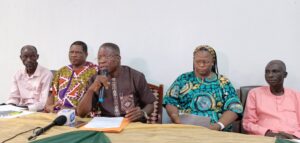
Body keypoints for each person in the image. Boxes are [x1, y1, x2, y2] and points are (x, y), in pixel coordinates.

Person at [163, 45, 243, 131]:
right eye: (198, 61)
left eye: (206, 62)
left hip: (215, 129)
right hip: (185, 127)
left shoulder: (223, 82)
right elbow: (170, 100)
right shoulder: (183, 79)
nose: (201, 65)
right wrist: (175, 117)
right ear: (193, 61)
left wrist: (219, 125)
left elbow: (235, 107)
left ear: (213, 62)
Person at [77, 43, 156, 122]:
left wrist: (143, 112)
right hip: (106, 124)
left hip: (131, 124)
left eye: (106, 57)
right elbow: (81, 113)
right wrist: (91, 89)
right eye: (99, 58)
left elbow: (150, 105)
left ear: (118, 58)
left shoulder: (136, 76)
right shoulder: (95, 79)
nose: (101, 61)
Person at [243, 60, 300, 139]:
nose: (270, 75)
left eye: (275, 71)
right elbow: (248, 123)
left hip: (293, 138)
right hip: (265, 137)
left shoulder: (296, 96)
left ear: (285, 75)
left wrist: (294, 137)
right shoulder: (255, 93)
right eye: (267, 72)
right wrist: (269, 134)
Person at [44, 41, 97, 113]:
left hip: (80, 115)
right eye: (71, 52)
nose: (74, 55)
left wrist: (69, 110)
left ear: (86, 54)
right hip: (56, 113)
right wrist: (50, 107)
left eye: (78, 52)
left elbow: (94, 99)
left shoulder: (94, 71)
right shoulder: (62, 71)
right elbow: (52, 94)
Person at [6, 45, 53, 111]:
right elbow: (14, 97)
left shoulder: (47, 74)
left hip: (38, 111)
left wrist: (25, 108)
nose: (29, 60)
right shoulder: (17, 74)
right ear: (21, 57)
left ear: (37, 57)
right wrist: (9, 106)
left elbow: (43, 102)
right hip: (20, 109)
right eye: (25, 56)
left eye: (32, 56)